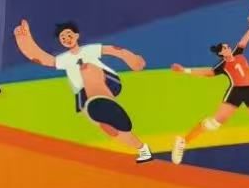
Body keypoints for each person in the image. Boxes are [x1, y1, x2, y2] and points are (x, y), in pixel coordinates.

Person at [12, 19, 154, 162]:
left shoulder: (88, 50)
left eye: (68, 35)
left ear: (76, 35)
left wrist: (131, 58)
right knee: (109, 129)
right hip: (84, 95)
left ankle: (104, 101)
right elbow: (42, 58)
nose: (66, 39)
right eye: (63, 38)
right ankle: (143, 149)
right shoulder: (64, 59)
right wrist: (24, 41)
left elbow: (113, 50)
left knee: (86, 68)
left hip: (106, 81)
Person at [169, 8, 249, 170]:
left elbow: (244, 40)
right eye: (225, 48)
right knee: (214, 123)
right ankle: (183, 141)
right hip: (236, 92)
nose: (228, 48)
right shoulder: (222, 65)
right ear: (221, 53)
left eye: (228, 46)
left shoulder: (238, 52)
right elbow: (207, 73)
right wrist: (184, 70)